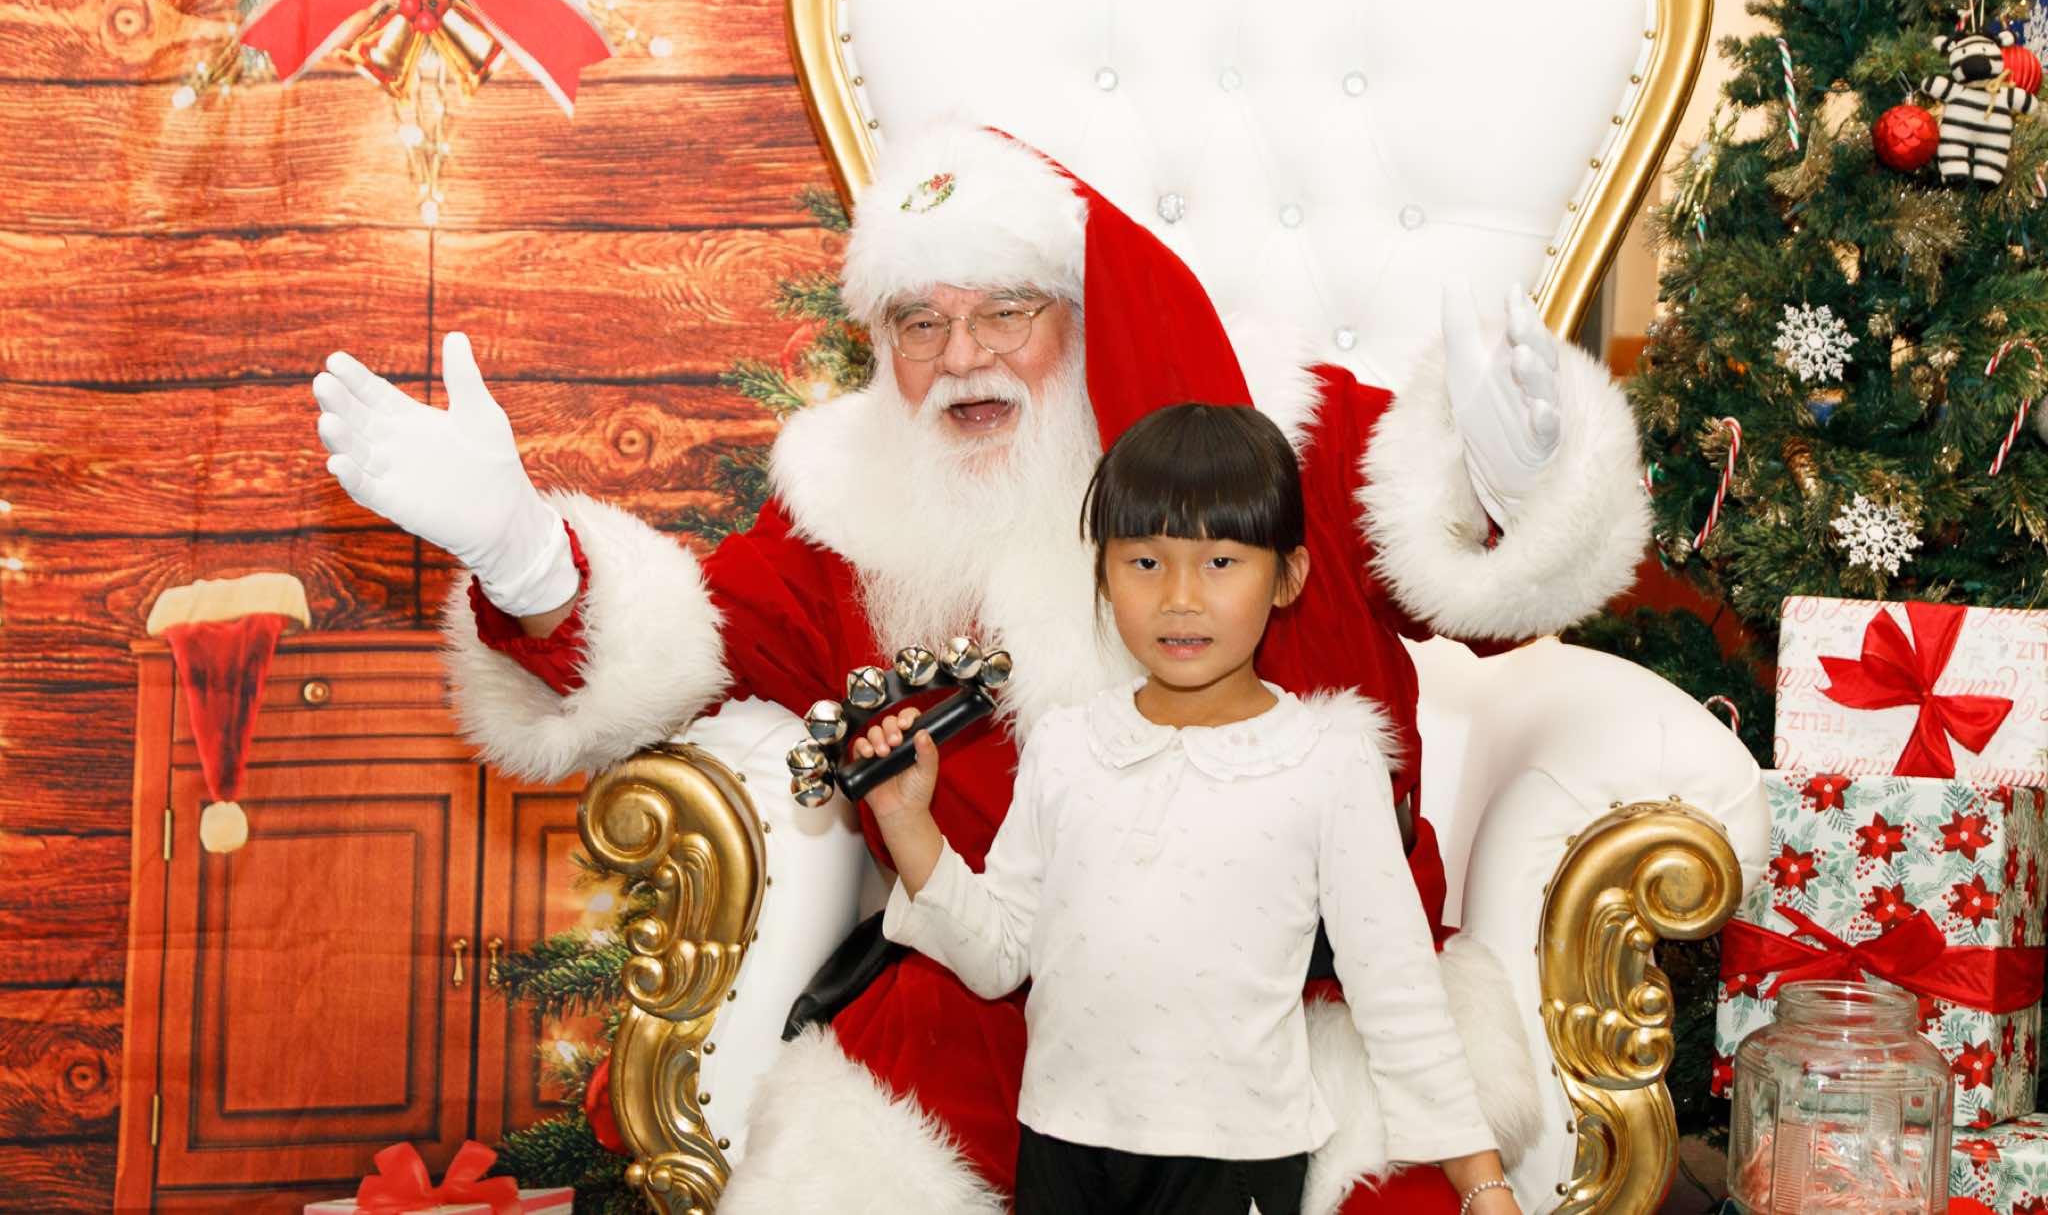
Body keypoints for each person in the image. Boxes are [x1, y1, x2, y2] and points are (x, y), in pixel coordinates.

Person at [311, 121, 1649, 1213]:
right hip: (995, 1021)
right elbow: (682, 640)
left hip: (1309, 1012)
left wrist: (1511, 479)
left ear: (1085, 309)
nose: (962, 359)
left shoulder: (1275, 434)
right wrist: (525, 560)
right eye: (918, 322)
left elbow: (1484, 596)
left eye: (1007, 311)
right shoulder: (847, 512)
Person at [853, 402, 1522, 1215]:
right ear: (1102, 574)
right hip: (1061, 1144)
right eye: (1144, 561)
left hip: (1235, 1159)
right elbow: (997, 955)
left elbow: (1396, 985)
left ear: (1288, 576)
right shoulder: (1066, 744)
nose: (1179, 597)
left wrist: (1482, 1179)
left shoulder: (1325, 760)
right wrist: (908, 822)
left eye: (1220, 562)